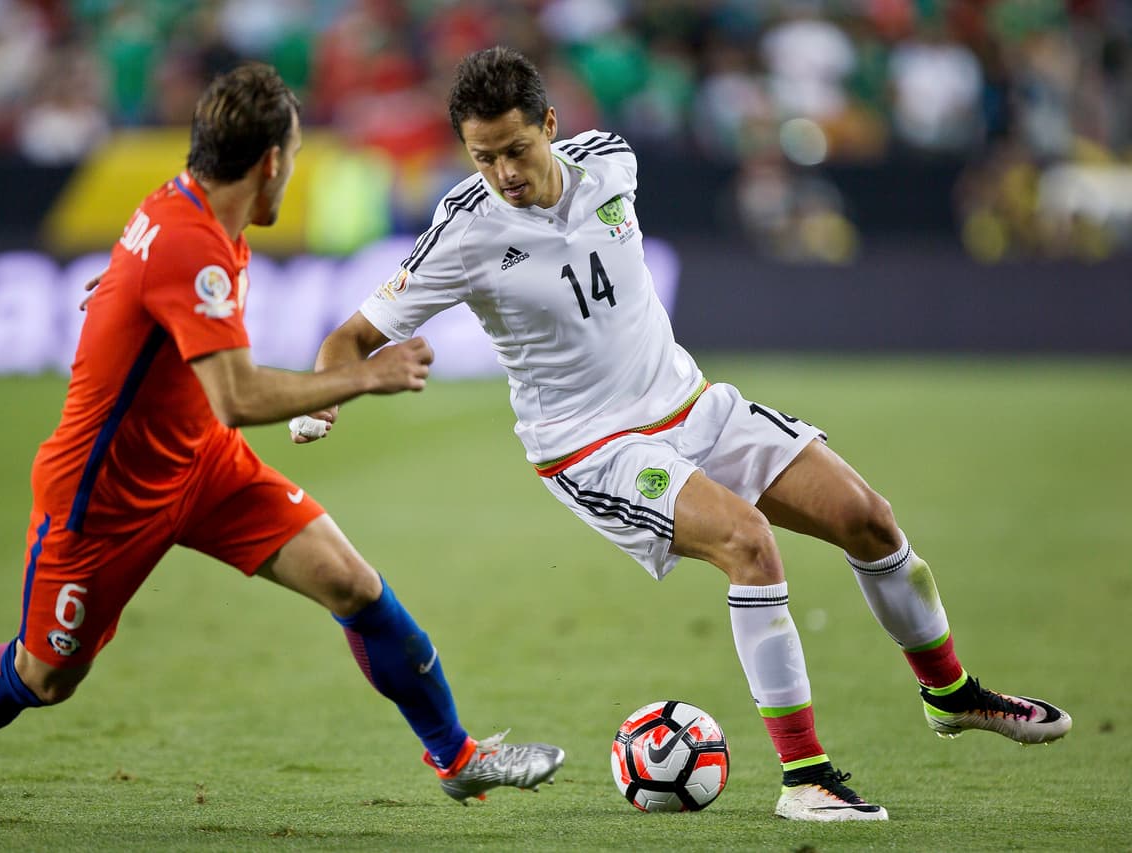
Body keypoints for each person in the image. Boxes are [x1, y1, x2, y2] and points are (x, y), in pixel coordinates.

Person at [307, 46, 1071, 822]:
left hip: (694, 404)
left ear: (550, 124)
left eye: (516, 150)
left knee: (868, 519)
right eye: (483, 158)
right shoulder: (463, 231)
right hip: (591, 446)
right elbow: (349, 337)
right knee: (749, 544)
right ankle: (806, 777)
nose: (503, 172)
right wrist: (326, 395)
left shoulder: (612, 162)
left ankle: (951, 693)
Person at [0, 62, 564, 818]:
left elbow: (151, 284)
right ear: (273, 162)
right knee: (46, 677)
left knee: (352, 583)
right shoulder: (193, 243)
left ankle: (457, 755)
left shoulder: (205, 213)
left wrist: (127, 289)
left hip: (200, 463)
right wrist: (363, 378)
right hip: (104, 494)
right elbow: (240, 396)